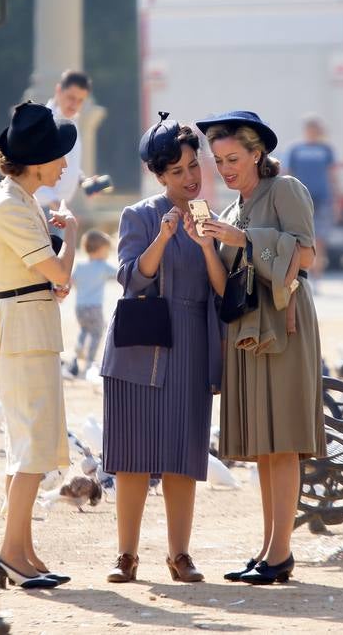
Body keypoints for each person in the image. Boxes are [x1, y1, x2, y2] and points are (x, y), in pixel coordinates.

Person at [195, 110, 326, 586]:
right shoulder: (232, 208)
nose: (225, 168)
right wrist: (209, 244)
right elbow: (226, 283)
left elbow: (307, 254)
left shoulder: (285, 189)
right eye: (218, 160)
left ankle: (280, 554)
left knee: (284, 441)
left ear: (257, 154)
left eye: (233, 158)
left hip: (285, 325)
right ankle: (271, 550)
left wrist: (245, 238)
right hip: (249, 330)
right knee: (266, 445)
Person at [101, 113, 225, 585]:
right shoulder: (139, 215)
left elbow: (221, 289)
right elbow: (131, 278)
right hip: (139, 345)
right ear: (159, 176)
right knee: (131, 456)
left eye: (194, 166)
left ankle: (180, 556)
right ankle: (125, 556)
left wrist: (206, 244)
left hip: (192, 342)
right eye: (178, 172)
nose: (191, 178)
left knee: (182, 456)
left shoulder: (211, 218)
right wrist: (165, 236)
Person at [0, 101, 78, 591]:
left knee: (28, 447)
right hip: (24, 330)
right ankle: (10, 555)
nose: (64, 162)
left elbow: (50, 279)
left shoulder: (20, 201)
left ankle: (22, 551)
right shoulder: (10, 205)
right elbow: (60, 272)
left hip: (29, 321)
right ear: (37, 160)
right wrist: (74, 236)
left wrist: (54, 275)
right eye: (59, 154)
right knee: (31, 450)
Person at [284, 113, 340, 279]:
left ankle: (317, 276)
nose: (312, 131)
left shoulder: (326, 149)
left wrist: (337, 200)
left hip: (322, 199)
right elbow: (287, 174)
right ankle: (301, 273)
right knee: (300, 239)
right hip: (300, 200)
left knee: (320, 239)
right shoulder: (295, 149)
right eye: (310, 128)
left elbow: (332, 175)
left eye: (315, 128)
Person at [35, 69, 91, 213]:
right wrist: (54, 203)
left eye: (80, 100)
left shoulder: (72, 121)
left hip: (59, 207)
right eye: (71, 97)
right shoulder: (44, 122)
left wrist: (83, 181)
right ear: (58, 90)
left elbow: (67, 163)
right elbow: (33, 167)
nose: (74, 104)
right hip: (44, 207)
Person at [71, 229, 116, 374]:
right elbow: (119, 274)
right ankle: (90, 360)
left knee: (84, 329)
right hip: (94, 307)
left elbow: (72, 282)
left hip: (80, 307)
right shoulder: (103, 266)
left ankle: (79, 346)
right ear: (100, 250)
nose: (107, 254)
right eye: (106, 251)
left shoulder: (80, 266)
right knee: (97, 332)